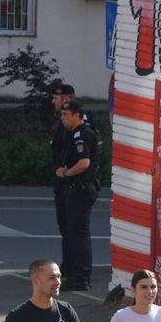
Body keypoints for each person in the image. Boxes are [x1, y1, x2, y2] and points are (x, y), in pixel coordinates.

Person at [56, 101, 100, 291]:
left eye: (66, 114)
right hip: (77, 188)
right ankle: (77, 273)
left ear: (76, 115)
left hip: (80, 188)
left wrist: (66, 173)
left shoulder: (81, 133)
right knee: (74, 233)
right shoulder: (76, 133)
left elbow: (84, 163)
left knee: (78, 234)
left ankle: (81, 277)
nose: (62, 118)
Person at [47, 82, 85, 274]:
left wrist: (67, 172)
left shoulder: (80, 123)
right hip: (64, 182)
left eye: (56, 99)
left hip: (76, 183)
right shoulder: (65, 122)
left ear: (66, 99)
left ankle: (79, 271)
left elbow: (83, 157)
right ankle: (69, 265)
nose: (53, 102)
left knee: (75, 229)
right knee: (65, 226)